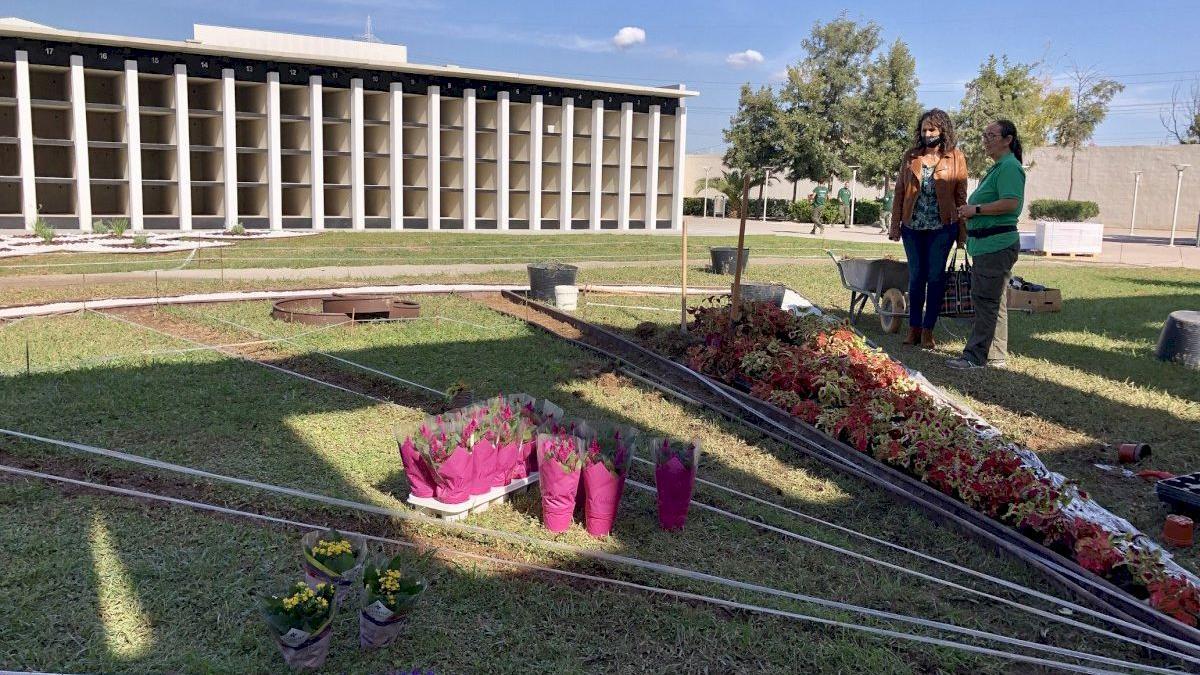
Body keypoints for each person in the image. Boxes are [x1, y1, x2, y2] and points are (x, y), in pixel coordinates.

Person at [947, 119, 1025, 370]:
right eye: (984, 135)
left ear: (1007, 139)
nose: (985, 140)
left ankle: (974, 357)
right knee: (995, 300)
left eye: (991, 135)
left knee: (985, 301)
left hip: (997, 245)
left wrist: (975, 209)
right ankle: (996, 354)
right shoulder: (997, 168)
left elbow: (1011, 203)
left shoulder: (1010, 167)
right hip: (986, 245)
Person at [888, 108, 968, 349]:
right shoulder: (911, 156)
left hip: (943, 228)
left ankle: (927, 331)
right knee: (916, 277)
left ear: (942, 130)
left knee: (935, 277)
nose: (927, 133)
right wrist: (895, 225)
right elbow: (900, 192)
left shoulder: (956, 157)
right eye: (924, 129)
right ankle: (913, 329)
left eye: (932, 129)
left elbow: (961, 197)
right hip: (912, 227)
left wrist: (962, 234)